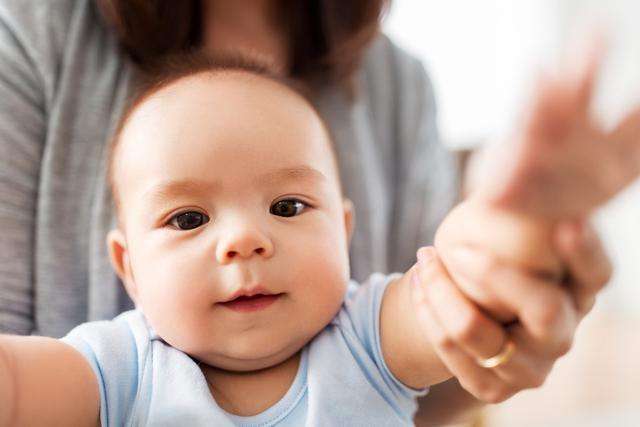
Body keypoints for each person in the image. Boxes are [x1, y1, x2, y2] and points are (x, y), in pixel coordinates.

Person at [0, 1, 630, 424]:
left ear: (345, 231)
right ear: (127, 266)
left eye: (288, 206)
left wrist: (509, 224)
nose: (245, 240)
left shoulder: (364, 342)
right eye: (189, 219)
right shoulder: (121, 367)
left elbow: (451, 286)